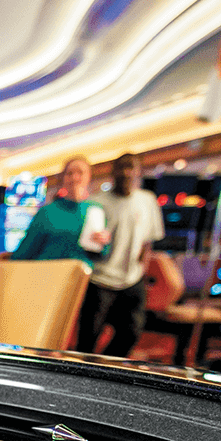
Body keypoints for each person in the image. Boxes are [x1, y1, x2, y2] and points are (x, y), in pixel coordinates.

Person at [75, 152, 165, 357]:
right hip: (99, 280)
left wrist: (142, 272)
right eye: (122, 168)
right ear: (113, 172)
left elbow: (147, 242)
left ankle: (104, 369)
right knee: (88, 339)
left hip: (132, 279)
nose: (126, 173)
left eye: (131, 168)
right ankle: (84, 373)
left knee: (131, 333)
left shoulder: (147, 200)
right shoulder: (97, 202)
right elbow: (84, 243)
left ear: (138, 172)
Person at [10, 157, 110, 263]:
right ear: (63, 178)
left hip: (79, 276)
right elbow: (27, 250)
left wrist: (104, 242)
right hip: (46, 275)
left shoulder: (95, 209)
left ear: (89, 176)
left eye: (80, 173)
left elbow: (101, 252)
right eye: (69, 173)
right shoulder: (47, 212)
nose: (75, 178)